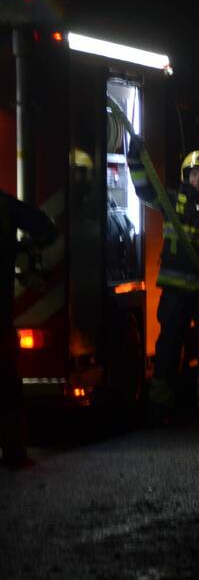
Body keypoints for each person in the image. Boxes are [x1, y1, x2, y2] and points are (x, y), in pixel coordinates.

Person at [127, 141, 199, 425]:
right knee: (168, 349)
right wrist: (135, 161)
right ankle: (160, 407)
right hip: (176, 291)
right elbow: (144, 191)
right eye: (194, 174)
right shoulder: (172, 200)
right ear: (186, 176)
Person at [1, 190, 58, 468]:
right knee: (6, 383)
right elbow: (47, 230)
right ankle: (14, 452)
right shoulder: (5, 205)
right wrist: (23, 250)